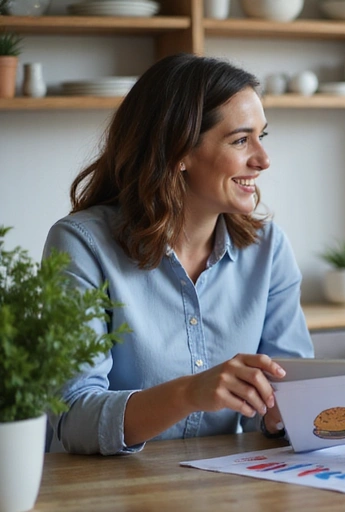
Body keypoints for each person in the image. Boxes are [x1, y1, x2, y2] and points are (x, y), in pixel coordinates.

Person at [43, 54, 313, 455]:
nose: (262, 159)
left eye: (262, 136)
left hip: (226, 488)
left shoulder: (268, 249)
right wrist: (190, 392)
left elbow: (290, 396)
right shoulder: (81, 245)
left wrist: (282, 415)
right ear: (179, 152)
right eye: (241, 140)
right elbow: (74, 419)